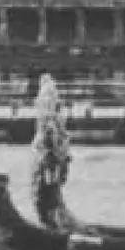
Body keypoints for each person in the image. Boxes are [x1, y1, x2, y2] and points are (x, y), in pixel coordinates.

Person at [29, 74, 73, 229]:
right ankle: (52, 220)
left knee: (49, 191)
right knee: (48, 191)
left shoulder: (51, 124)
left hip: (49, 160)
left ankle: (52, 221)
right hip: (48, 159)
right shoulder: (50, 123)